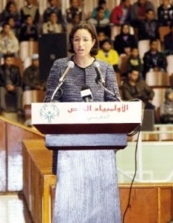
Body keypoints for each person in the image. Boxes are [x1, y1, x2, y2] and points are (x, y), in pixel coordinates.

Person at [44, 21, 121, 223]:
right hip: (68, 143)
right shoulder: (61, 66)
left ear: (93, 42)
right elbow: (50, 102)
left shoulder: (103, 68)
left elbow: (114, 102)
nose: (80, 44)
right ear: (71, 42)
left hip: (100, 146)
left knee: (100, 198)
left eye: (85, 39)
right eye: (76, 39)